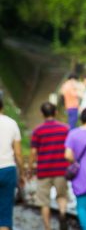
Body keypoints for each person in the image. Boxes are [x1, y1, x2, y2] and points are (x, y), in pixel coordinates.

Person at [28, 102, 69, 230]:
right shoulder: (65, 129)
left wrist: (30, 168)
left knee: (44, 201)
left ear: (42, 114)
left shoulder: (37, 131)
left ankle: (48, 227)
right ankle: (62, 213)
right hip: (61, 169)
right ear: (55, 112)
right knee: (62, 196)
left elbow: (33, 152)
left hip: (43, 170)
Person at [0, 96, 25, 230]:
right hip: (7, 169)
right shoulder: (11, 123)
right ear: (2, 105)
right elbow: (18, 153)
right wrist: (21, 173)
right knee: (4, 212)